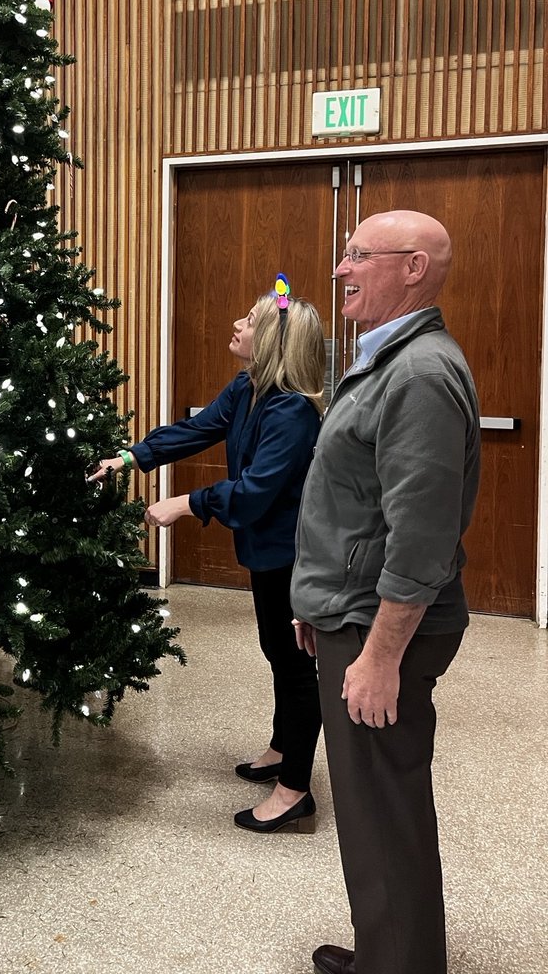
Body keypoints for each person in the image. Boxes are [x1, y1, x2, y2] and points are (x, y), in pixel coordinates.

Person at [290, 211, 480, 974]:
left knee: (382, 809)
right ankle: (390, 953)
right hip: (352, 613)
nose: (340, 270)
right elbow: (358, 501)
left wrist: (376, 654)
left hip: (382, 628)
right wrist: (318, 601)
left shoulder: (420, 373)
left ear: (414, 268)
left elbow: (422, 537)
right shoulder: (388, 357)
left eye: (358, 256)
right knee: (373, 810)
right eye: (344, 254)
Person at [90, 278, 325, 833]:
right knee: (276, 648)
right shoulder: (247, 389)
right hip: (264, 550)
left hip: (293, 554)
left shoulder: (293, 411)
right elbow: (197, 430)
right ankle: (279, 747)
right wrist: (131, 457)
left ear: (270, 340)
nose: (238, 325)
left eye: (249, 320)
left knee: (295, 666)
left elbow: (254, 493)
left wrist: (185, 503)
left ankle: (295, 790)